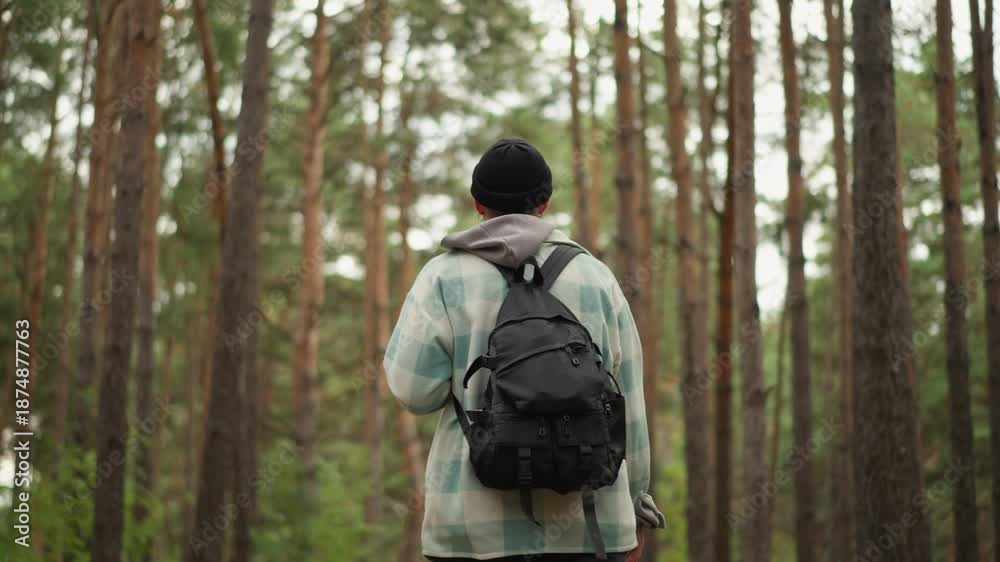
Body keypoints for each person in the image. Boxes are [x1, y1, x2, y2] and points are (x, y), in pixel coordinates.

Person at [384, 139, 662, 562]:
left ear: (478, 203)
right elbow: (630, 405)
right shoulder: (595, 277)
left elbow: (414, 392)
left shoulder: (442, 277)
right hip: (591, 529)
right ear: (544, 203)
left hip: (471, 532)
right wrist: (637, 506)